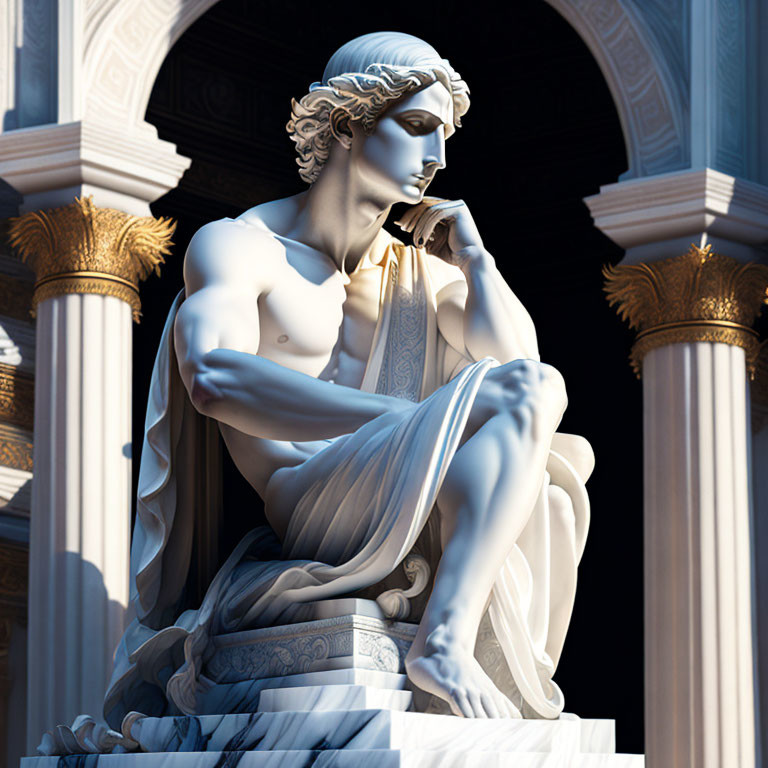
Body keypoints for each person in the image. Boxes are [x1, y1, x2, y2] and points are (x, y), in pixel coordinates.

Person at [105, 31, 593, 727]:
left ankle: (442, 643)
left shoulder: (426, 274)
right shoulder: (242, 245)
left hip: (404, 486)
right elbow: (214, 378)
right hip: (306, 501)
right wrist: (401, 419)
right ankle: (445, 644)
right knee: (522, 402)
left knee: (550, 450)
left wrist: (479, 261)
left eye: (446, 136)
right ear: (345, 123)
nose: (439, 157)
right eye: (420, 127)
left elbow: (521, 371)